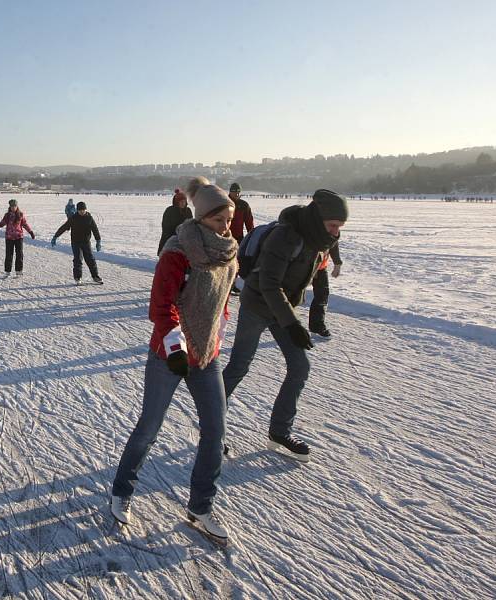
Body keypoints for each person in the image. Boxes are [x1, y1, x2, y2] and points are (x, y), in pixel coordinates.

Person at [110, 182, 238, 543]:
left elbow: (222, 303)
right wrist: (176, 347)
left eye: (229, 219)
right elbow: (161, 306)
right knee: (149, 428)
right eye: (219, 220)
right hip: (170, 355)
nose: (226, 227)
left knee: (215, 431)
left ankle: (201, 506)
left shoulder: (229, 254)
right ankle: (121, 489)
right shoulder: (179, 253)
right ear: (202, 218)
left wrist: (217, 337)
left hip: (207, 354)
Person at [222, 189, 349, 462]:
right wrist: (292, 324)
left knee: (300, 366)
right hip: (257, 305)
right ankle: (212, 427)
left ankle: (279, 431)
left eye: (340, 227)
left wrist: (297, 313)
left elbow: (310, 276)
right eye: (333, 225)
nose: (337, 232)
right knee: (239, 366)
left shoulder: (321, 239)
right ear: (319, 218)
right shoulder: (286, 236)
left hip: (283, 310)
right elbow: (269, 283)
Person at [51, 201, 103, 284]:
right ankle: (78, 278)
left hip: (86, 242)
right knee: (78, 260)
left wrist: (98, 241)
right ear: (77, 210)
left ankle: (95, 276)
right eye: (80, 210)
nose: (82, 211)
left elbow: (95, 230)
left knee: (90, 259)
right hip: (76, 242)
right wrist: (55, 236)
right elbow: (64, 227)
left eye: (83, 210)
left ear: (86, 209)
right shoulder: (73, 218)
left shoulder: (89, 218)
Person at [308, 243, 342, 337]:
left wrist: (337, 264)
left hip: (320, 267)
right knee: (291, 293)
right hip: (302, 266)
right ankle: (278, 319)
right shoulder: (311, 229)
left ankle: (316, 327)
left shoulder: (331, 230)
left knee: (322, 295)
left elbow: (333, 244)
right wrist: (311, 271)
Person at [0, 199, 35, 277]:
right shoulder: (7, 215)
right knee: (9, 254)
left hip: (18, 237)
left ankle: (19, 271)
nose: (13, 208)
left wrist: (30, 232)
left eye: (15, 206)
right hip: (9, 237)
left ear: (17, 206)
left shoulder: (20, 214)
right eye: (12, 206)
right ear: (10, 206)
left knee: (19, 254)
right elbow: (2, 223)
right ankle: (7, 271)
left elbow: (25, 224)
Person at [228, 182, 254, 296]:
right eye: (234, 192)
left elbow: (249, 221)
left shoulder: (243, 205)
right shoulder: (225, 203)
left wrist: (251, 234)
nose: (237, 194)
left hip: (239, 238)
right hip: (225, 237)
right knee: (225, 262)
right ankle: (225, 284)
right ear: (230, 192)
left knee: (236, 263)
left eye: (238, 192)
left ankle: (232, 284)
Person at [157, 188, 193, 254]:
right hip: (170, 238)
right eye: (181, 201)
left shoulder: (188, 211)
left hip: (184, 239)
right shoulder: (170, 210)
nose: (183, 203)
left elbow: (191, 224)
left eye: (184, 201)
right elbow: (165, 226)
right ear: (177, 202)